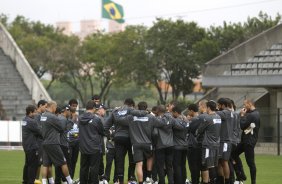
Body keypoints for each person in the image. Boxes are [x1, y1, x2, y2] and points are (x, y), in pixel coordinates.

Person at [118, 101, 165, 184]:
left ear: (137, 107)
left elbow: (119, 120)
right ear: (146, 108)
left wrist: (121, 111)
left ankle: (140, 182)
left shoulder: (131, 117)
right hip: (148, 143)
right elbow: (161, 123)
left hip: (136, 144)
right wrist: (153, 115)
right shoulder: (150, 117)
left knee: (139, 164)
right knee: (150, 157)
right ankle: (148, 176)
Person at [104, 98, 136, 184]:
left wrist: (110, 137)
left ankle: (120, 181)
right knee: (132, 159)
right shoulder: (132, 110)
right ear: (132, 105)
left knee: (119, 160)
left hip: (118, 138)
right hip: (131, 138)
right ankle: (131, 179)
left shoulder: (115, 111)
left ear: (124, 103)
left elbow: (105, 126)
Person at [40, 101, 73, 184]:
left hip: (45, 142)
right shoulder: (53, 117)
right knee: (63, 162)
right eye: (56, 107)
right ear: (53, 107)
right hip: (53, 142)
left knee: (46, 164)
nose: (56, 108)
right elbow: (61, 128)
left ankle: (45, 182)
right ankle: (70, 181)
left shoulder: (43, 116)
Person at [78, 100, 105, 184]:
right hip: (94, 147)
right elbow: (102, 131)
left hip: (83, 147)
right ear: (93, 108)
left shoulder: (80, 118)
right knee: (94, 168)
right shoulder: (96, 119)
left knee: (83, 168)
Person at [234, 100, 260, 184]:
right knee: (233, 154)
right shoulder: (256, 113)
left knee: (250, 163)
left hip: (248, 142)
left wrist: (242, 115)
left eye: (245, 105)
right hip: (247, 141)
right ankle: (241, 175)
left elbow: (242, 126)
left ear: (250, 104)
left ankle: (252, 181)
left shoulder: (251, 115)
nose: (244, 107)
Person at [197, 100, 221, 184]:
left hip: (208, 145)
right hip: (216, 144)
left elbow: (199, 130)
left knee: (206, 165)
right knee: (213, 165)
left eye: (206, 107)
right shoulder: (218, 117)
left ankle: (207, 182)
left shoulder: (207, 118)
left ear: (209, 107)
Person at [154, 105, 174, 184]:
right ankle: (171, 182)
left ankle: (161, 182)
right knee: (169, 166)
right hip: (170, 145)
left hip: (160, 145)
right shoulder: (171, 118)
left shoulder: (157, 120)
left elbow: (155, 133)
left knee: (160, 166)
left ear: (158, 110)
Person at [22, 105, 42, 184]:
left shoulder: (24, 120)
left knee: (27, 164)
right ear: (30, 112)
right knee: (33, 165)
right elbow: (40, 132)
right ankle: (31, 181)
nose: (36, 114)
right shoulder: (32, 121)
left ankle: (25, 180)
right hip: (32, 146)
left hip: (26, 145)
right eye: (35, 112)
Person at [216, 98, 234, 184]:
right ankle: (221, 180)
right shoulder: (230, 113)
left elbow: (214, 112)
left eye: (218, 105)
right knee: (220, 161)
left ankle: (227, 181)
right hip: (223, 140)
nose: (217, 107)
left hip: (225, 141)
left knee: (224, 161)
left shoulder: (225, 112)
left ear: (223, 105)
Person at [55, 105, 73, 184]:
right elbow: (60, 131)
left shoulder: (62, 119)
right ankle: (64, 180)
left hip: (60, 144)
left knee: (59, 164)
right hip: (62, 144)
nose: (70, 113)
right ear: (66, 110)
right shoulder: (63, 119)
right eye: (69, 111)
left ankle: (59, 180)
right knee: (65, 163)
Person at [171, 105, 188, 184]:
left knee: (177, 165)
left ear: (175, 112)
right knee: (183, 165)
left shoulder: (175, 121)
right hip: (185, 146)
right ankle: (184, 180)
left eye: (172, 112)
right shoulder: (186, 120)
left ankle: (178, 182)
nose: (171, 114)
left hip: (177, 146)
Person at [186, 103, 201, 184]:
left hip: (193, 146)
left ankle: (195, 181)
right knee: (198, 166)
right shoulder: (201, 118)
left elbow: (187, 129)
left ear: (191, 111)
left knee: (193, 166)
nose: (188, 113)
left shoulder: (194, 120)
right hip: (199, 145)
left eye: (188, 111)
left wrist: (188, 121)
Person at [33, 99, 48, 182]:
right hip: (38, 142)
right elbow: (38, 129)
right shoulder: (37, 116)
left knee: (40, 162)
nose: (45, 109)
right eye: (45, 107)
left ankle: (36, 179)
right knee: (39, 162)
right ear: (40, 106)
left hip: (40, 141)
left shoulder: (40, 115)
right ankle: (36, 179)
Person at [68, 99, 79, 178]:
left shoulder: (78, 116)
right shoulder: (67, 115)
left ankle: (71, 178)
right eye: (73, 106)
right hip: (68, 141)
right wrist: (73, 118)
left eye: (75, 106)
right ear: (69, 106)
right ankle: (66, 179)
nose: (74, 107)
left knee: (74, 161)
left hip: (77, 141)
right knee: (69, 160)